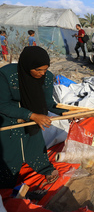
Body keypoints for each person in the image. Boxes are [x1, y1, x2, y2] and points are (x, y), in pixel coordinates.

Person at [0, 46, 67, 188]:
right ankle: (8, 179)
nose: (42, 73)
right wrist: (31, 115)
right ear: (27, 65)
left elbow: (48, 102)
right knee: (9, 150)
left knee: (35, 142)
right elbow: (3, 104)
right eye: (38, 70)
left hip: (33, 114)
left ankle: (44, 167)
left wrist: (66, 113)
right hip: (8, 116)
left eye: (45, 69)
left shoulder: (47, 77)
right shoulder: (6, 75)